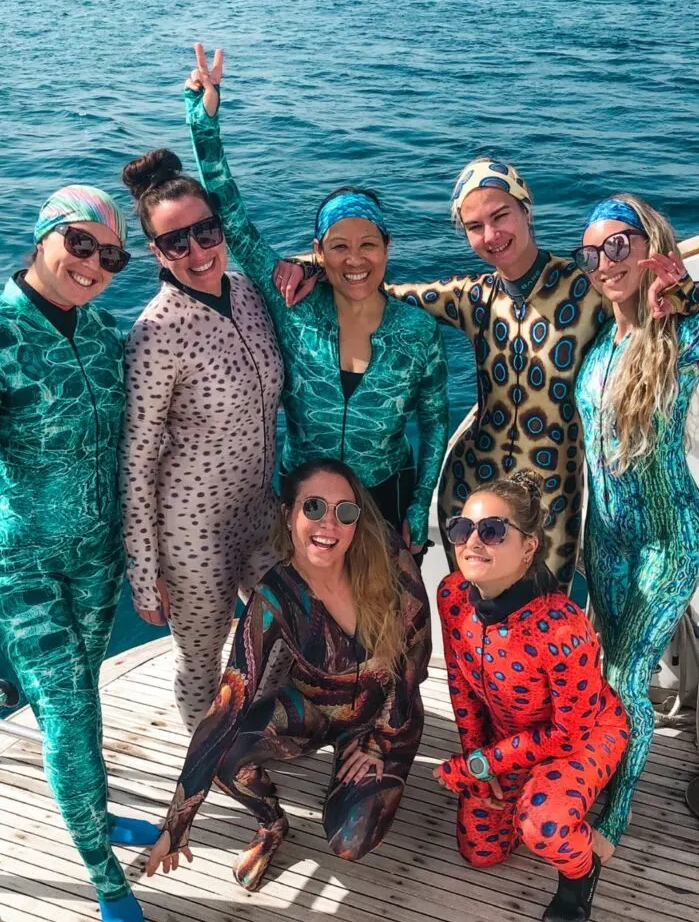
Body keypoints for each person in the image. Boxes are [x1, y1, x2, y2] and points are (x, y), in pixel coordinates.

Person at [275, 159, 691, 588]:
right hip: (470, 485)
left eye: (500, 216)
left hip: (551, 496)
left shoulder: (587, 285)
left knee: (545, 619)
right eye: (475, 226)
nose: (491, 236)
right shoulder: (474, 297)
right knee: (472, 620)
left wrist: (685, 296)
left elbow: (650, 306)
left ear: (526, 210)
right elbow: (371, 286)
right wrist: (311, 265)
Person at [182, 44, 448, 558]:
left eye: (368, 244)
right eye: (340, 246)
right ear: (319, 252)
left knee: (381, 627)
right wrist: (204, 122)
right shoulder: (292, 304)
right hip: (301, 500)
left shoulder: (417, 332)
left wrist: (420, 503)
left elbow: (434, 421)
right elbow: (231, 218)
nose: (356, 259)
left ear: (387, 248)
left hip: (383, 498)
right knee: (306, 625)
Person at [145, 458, 430, 891]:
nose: (328, 524)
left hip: (388, 715)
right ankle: (271, 823)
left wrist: (379, 740)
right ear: (289, 513)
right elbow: (228, 705)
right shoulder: (274, 596)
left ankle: (352, 769)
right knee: (222, 754)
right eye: (313, 507)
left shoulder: (386, 556)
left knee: (350, 843)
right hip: (316, 710)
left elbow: (416, 654)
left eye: (344, 512)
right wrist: (177, 821)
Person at [0, 187, 155, 922]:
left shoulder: (101, 331)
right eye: (79, 243)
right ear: (43, 237)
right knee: (64, 716)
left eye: (111, 254)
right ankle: (104, 875)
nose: (94, 264)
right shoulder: (1, 332)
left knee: (85, 697)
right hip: (21, 562)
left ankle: (96, 811)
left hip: (98, 558)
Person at [120, 142, 285, 732]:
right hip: (192, 532)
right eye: (175, 242)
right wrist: (144, 571)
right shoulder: (155, 333)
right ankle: (211, 763)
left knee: (288, 626)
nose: (196, 251)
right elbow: (136, 460)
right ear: (156, 252)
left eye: (206, 232)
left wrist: (307, 268)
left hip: (259, 509)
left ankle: (252, 730)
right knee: (201, 659)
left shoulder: (246, 292)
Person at [434, 470, 628, 922]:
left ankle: (580, 872)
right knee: (481, 853)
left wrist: (480, 765)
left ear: (528, 547)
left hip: (585, 736)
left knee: (542, 825)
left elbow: (570, 732)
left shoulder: (562, 627)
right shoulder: (452, 596)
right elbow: (462, 687)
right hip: (512, 737)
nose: (473, 541)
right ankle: (548, 794)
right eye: (462, 528)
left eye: (493, 531)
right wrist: (478, 762)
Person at [574, 195, 699, 861]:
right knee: (604, 674)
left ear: (650, 245)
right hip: (606, 538)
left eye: (618, 245)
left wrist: (690, 296)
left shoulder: (679, 337)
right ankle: (602, 775)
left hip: (668, 538)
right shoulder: (602, 340)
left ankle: (611, 823)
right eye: (592, 253)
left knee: (626, 680)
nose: (604, 263)